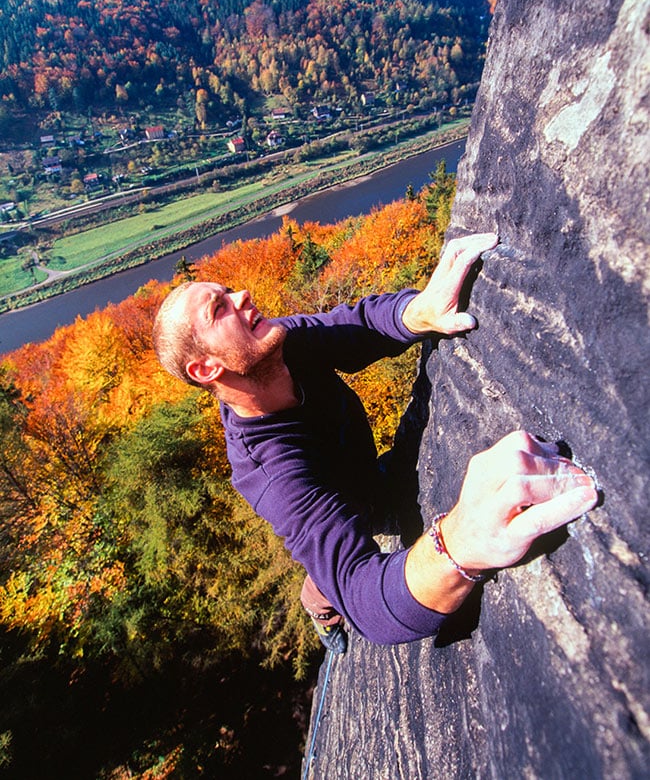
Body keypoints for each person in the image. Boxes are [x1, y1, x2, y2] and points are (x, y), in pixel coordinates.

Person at [152, 232, 598, 653]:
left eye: (228, 290)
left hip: (372, 477)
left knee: (363, 515)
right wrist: (463, 541)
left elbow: (356, 326)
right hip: (349, 510)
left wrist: (419, 311)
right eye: (219, 308)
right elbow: (365, 601)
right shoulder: (270, 472)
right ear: (206, 369)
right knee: (326, 584)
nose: (241, 296)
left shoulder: (281, 343)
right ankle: (320, 615)